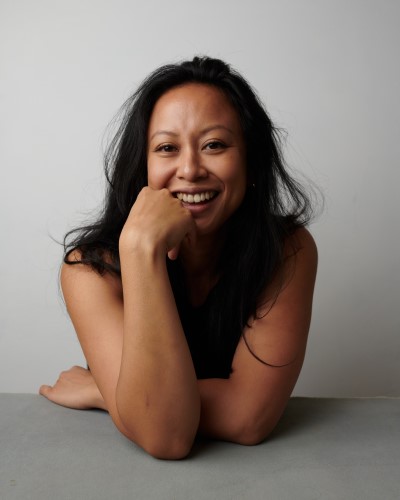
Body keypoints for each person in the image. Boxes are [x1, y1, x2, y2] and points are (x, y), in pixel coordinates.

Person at [39, 56, 318, 459]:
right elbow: (166, 438)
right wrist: (139, 250)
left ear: (251, 161)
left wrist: (111, 393)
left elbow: (248, 418)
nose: (189, 169)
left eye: (214, 145)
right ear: (143, 167)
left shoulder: (288, 251)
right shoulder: (90, 270)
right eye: (167, 148)